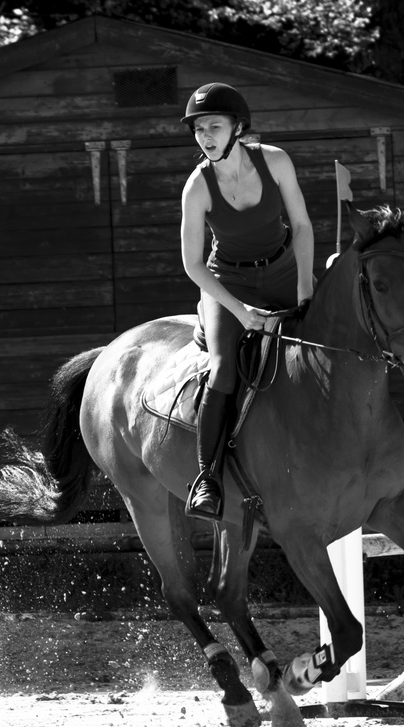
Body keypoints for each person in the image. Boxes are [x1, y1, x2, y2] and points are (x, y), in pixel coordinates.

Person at [178, 82, 315, 520]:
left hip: (284, 269)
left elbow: (303, 226)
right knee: (222, 369)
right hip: (227, 283)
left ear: (238, 127)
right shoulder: (197, 187)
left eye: (213, 126)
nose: (205, 137)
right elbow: (193, 266)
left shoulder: (274, 161)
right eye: (199, 130)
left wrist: (306, 290)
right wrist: (241, 313)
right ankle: (208, 479)